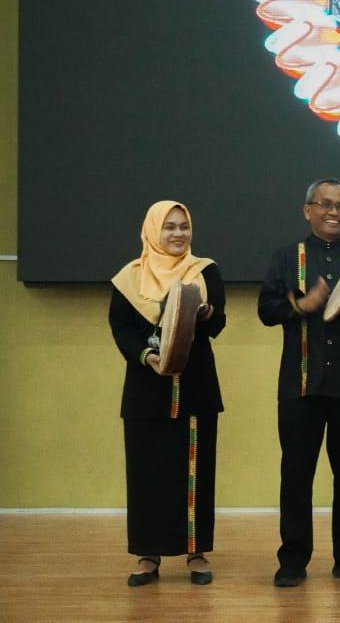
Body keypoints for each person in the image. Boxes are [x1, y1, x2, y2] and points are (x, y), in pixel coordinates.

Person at [258, 178, 340, 587]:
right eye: (325, 204)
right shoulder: (287, 257)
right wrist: (303, 305)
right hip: (300, 385)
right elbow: (266, 309)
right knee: (296, 476)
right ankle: (293, 561)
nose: (333, 212)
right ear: (307, 210)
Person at [109, 200, 225, 587]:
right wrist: (148, 356)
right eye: (169, 227)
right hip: (147, 390)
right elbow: (122, 329)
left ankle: (196, 553)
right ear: (152, 231)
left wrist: (204, 312)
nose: (178, 234)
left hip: (195, 390)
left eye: (184, 226)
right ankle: (147, 555)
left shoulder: (205, 271)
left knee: (194, 472)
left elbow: (218, 322)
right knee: (147, 474)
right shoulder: (129, 277)